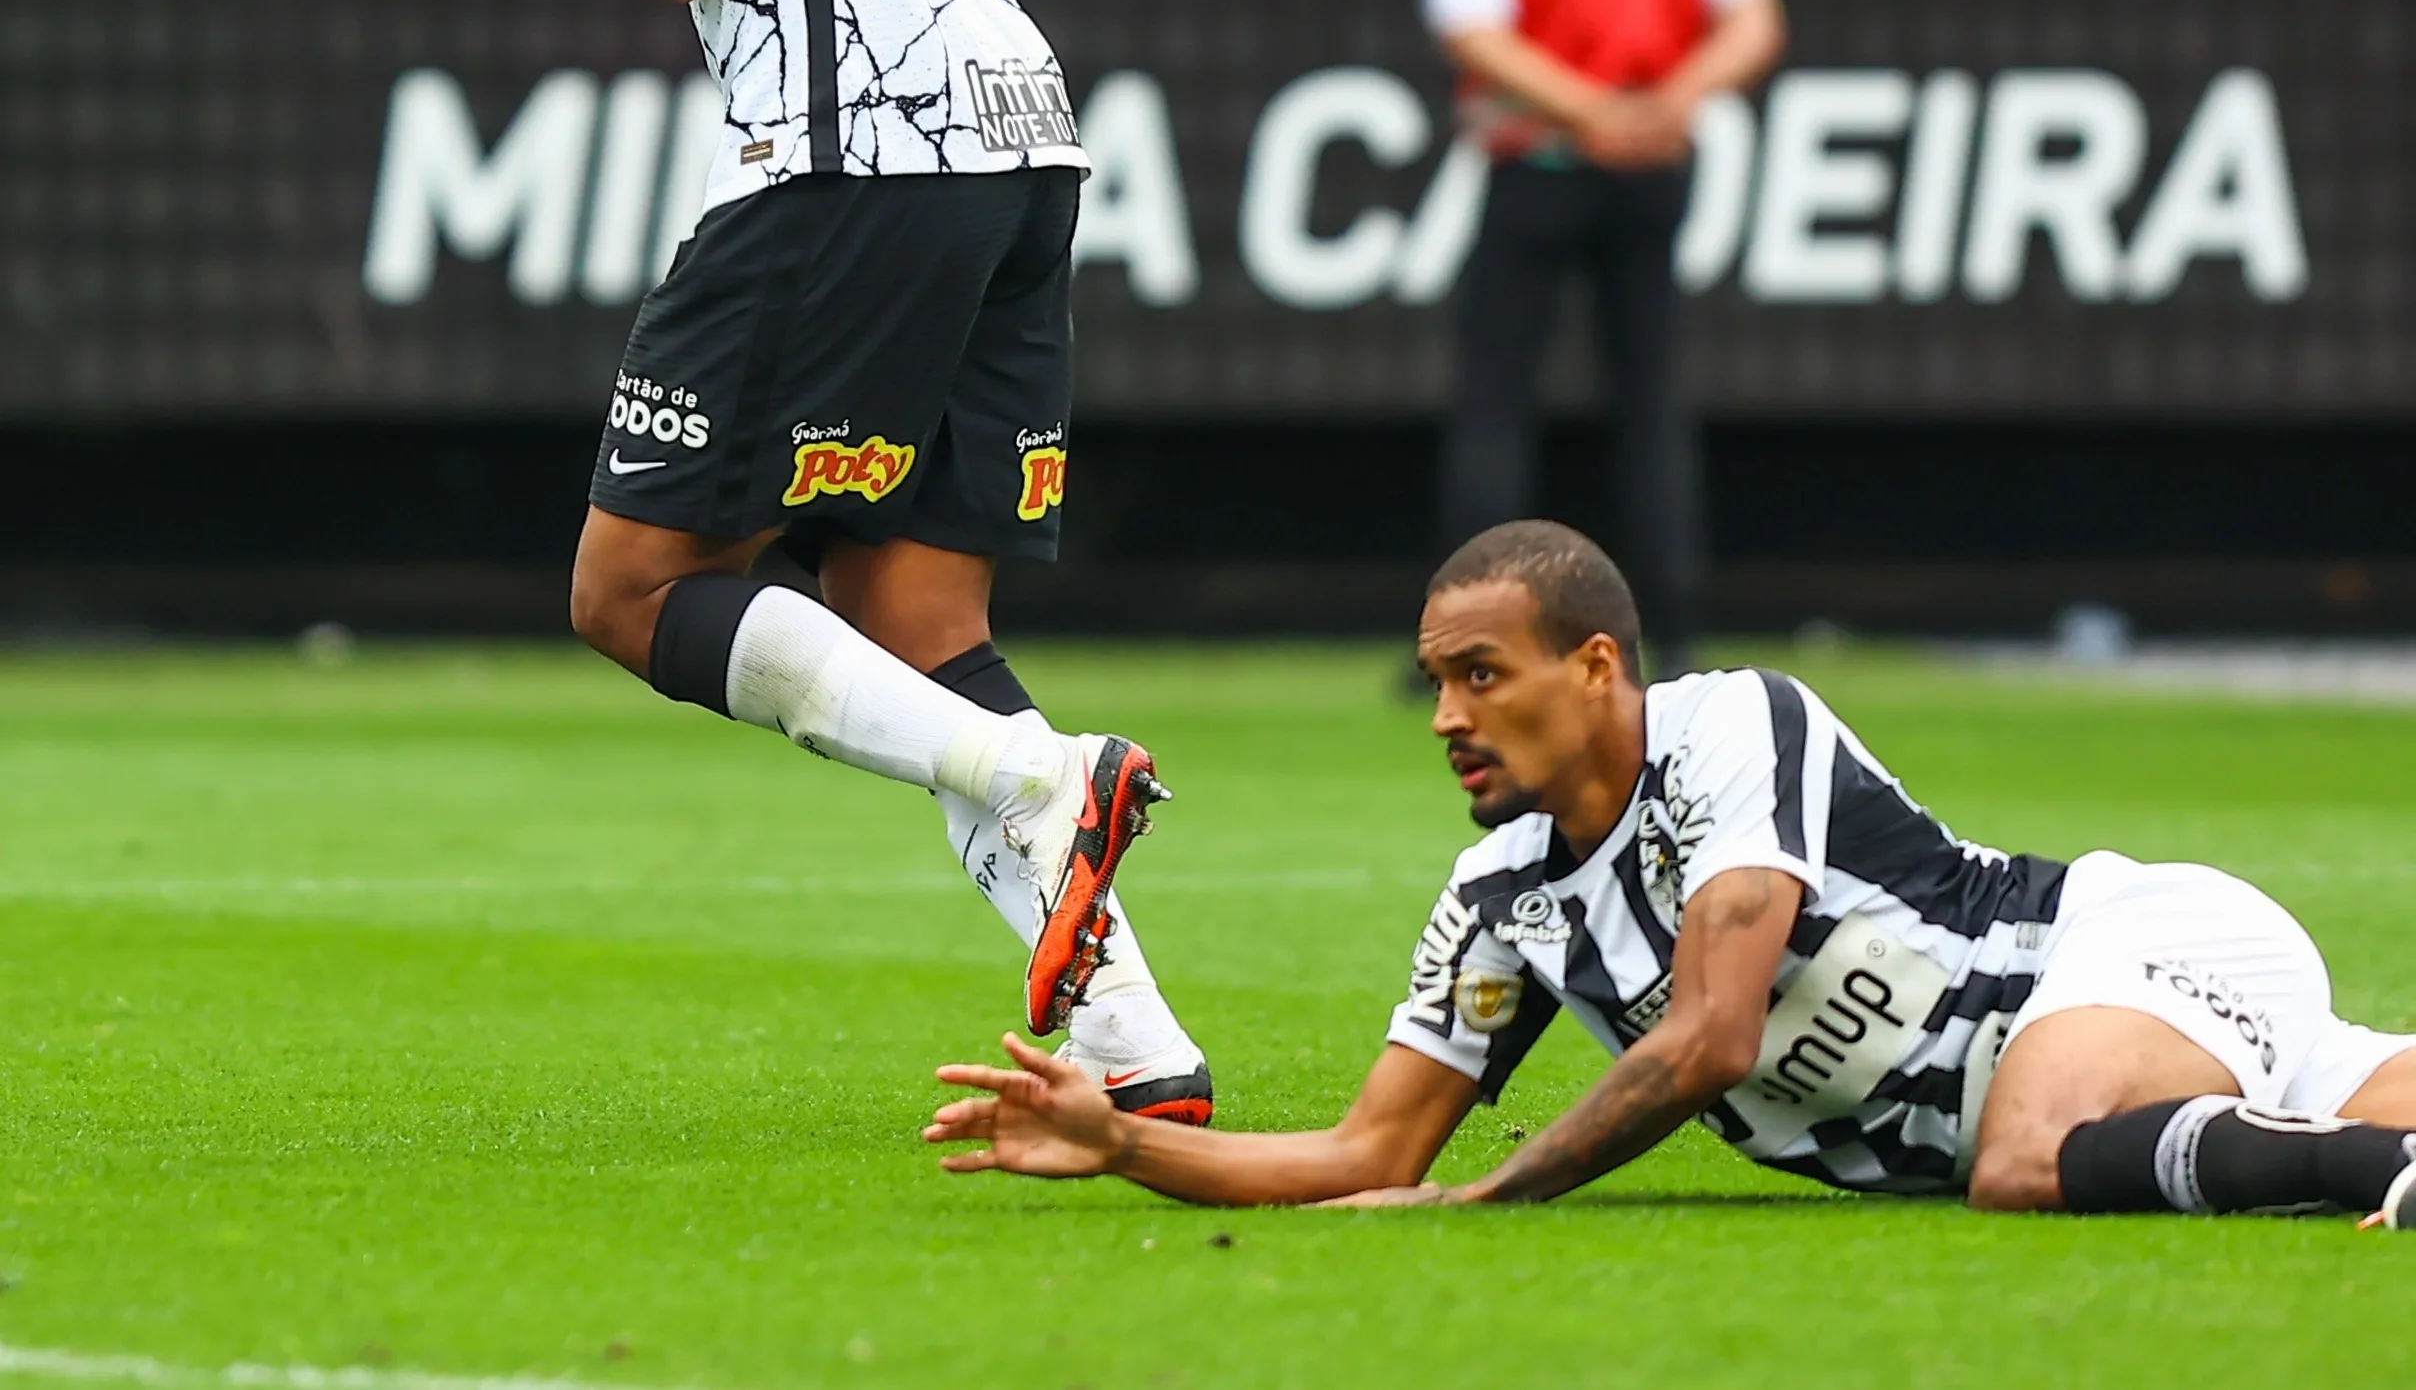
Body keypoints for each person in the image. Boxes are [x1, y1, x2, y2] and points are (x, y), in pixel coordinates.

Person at [427, 0, 1210, 1120]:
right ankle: (1138, 1057)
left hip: (860, 139)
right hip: (999, 129)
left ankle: (1045, 776)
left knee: (632, 588)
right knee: (920, 623)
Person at [927, 518, 2416, 1229]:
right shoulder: (1499, 899)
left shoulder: (1728, 725)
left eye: (1481, 673)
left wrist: (1498, 1192)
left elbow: (1708, 1035)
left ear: (1595, 666)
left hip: (2118, 947)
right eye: (1436, 679)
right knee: (2044, 1141)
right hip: (2135, 1063)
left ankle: (2383, 1179)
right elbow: (1366, 1155)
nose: (1448, 714)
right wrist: (1129, 1142)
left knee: (2026, 1157)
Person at [1422, 0, 1784, 672]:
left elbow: (1472, 28)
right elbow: (1753, 19)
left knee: (1496, 399)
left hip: (1534, 158)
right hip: (1652, 166)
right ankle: (1667, 624)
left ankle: (1473, 640)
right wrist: (1662, 104)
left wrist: (1584, 111)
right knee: (1651, 396)